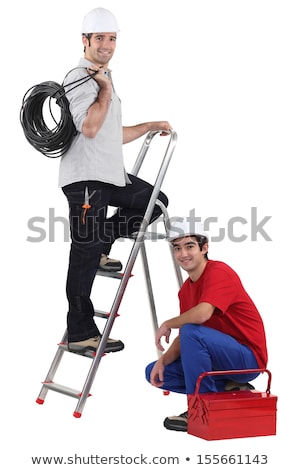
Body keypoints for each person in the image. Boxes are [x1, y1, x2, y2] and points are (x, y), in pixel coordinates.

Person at [59, 7, 172, 355]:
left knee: (156, 202)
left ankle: (104, 245)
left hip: (108, 175)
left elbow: (109, 135)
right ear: (85, 41)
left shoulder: (103, 76)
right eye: (100, 39)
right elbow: (89, 128)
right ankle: (80, 332)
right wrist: (104, 89)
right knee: (83, 253)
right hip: (87, 181)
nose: (107, 45)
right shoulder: (80, 77)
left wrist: (148, 127)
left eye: (112, 38)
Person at [145, 218, 268, 432]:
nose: (183, 254)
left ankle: (201, 409)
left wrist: (168, 323)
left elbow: (202, 315)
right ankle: (231, 390)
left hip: (248, 359)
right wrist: (163, 361)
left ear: (204, 248)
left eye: (190, 246)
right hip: (218, 360)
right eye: (177, 248)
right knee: (154, 372)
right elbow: (186, 336)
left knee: (192, 331)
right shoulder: (185, 290)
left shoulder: (219, 272)